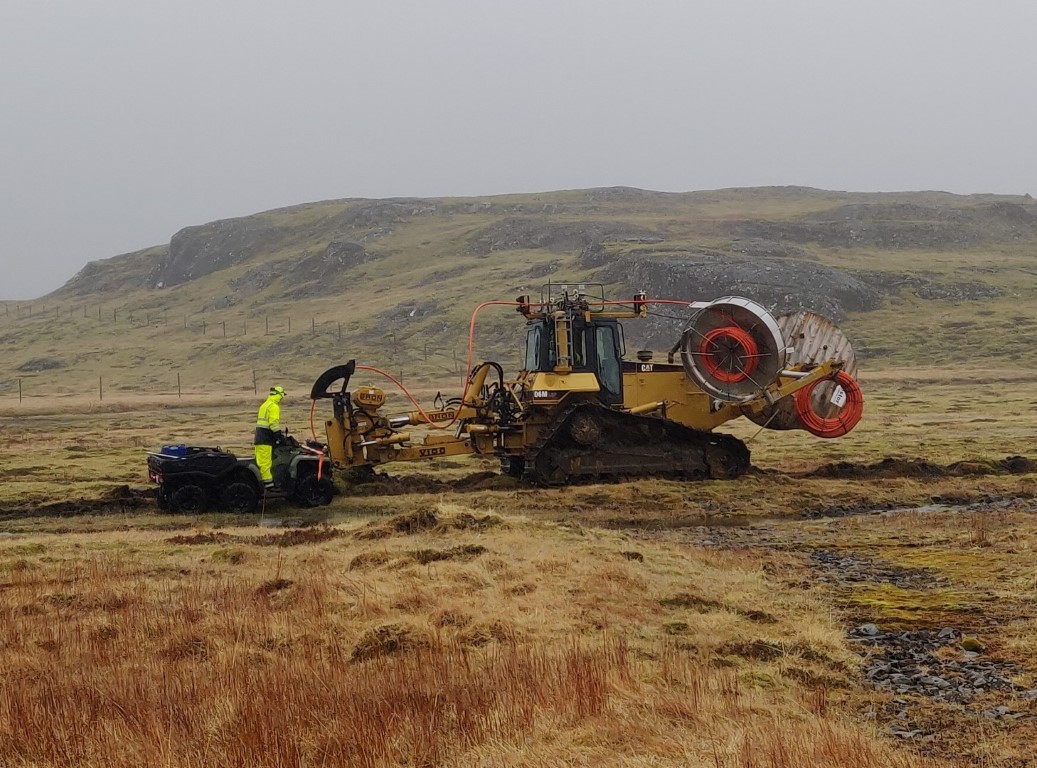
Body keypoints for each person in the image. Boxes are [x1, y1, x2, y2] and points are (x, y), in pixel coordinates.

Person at [254, 385, 286, 488]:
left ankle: (264, 482)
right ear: (279, 395)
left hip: (259, 438)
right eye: (282, 396)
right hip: (266, 439)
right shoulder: (274, 406)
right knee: (266, 463)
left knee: (261, 462)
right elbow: (273, 423)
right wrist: (278, 435)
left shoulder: (264, 405)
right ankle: (269, 485)